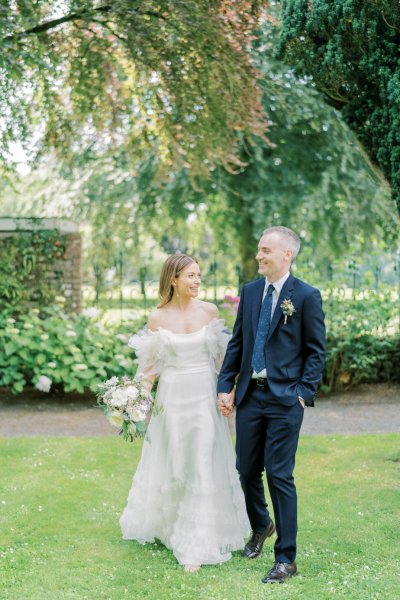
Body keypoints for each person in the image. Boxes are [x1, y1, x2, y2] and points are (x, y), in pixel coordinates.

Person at [120, 254, 249, 572]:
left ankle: (196, 541)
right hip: (173, 398)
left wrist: (228, 391)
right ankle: (171, 526)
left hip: (204, 396)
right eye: (190, 275)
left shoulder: (210, 312)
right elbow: (149, 371)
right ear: (173, 279)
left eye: (199, 275)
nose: (196, 281)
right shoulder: (157, 318)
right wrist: (132, 399)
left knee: (202, 460)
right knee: (177, 460)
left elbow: (222, 362)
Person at [217, 226, 326, 584]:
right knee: (246, 468)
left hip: (284, 399)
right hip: (250, 395)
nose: (259, 256)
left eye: (266, 251)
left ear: (286, 255)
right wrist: (226, 385)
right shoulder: (249, 293)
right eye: (259, 251)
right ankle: (262, 524)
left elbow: (315, 350)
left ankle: (286, 558)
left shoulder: (306, 296)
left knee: (279, 474)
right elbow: (238, 343)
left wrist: (302, 392)